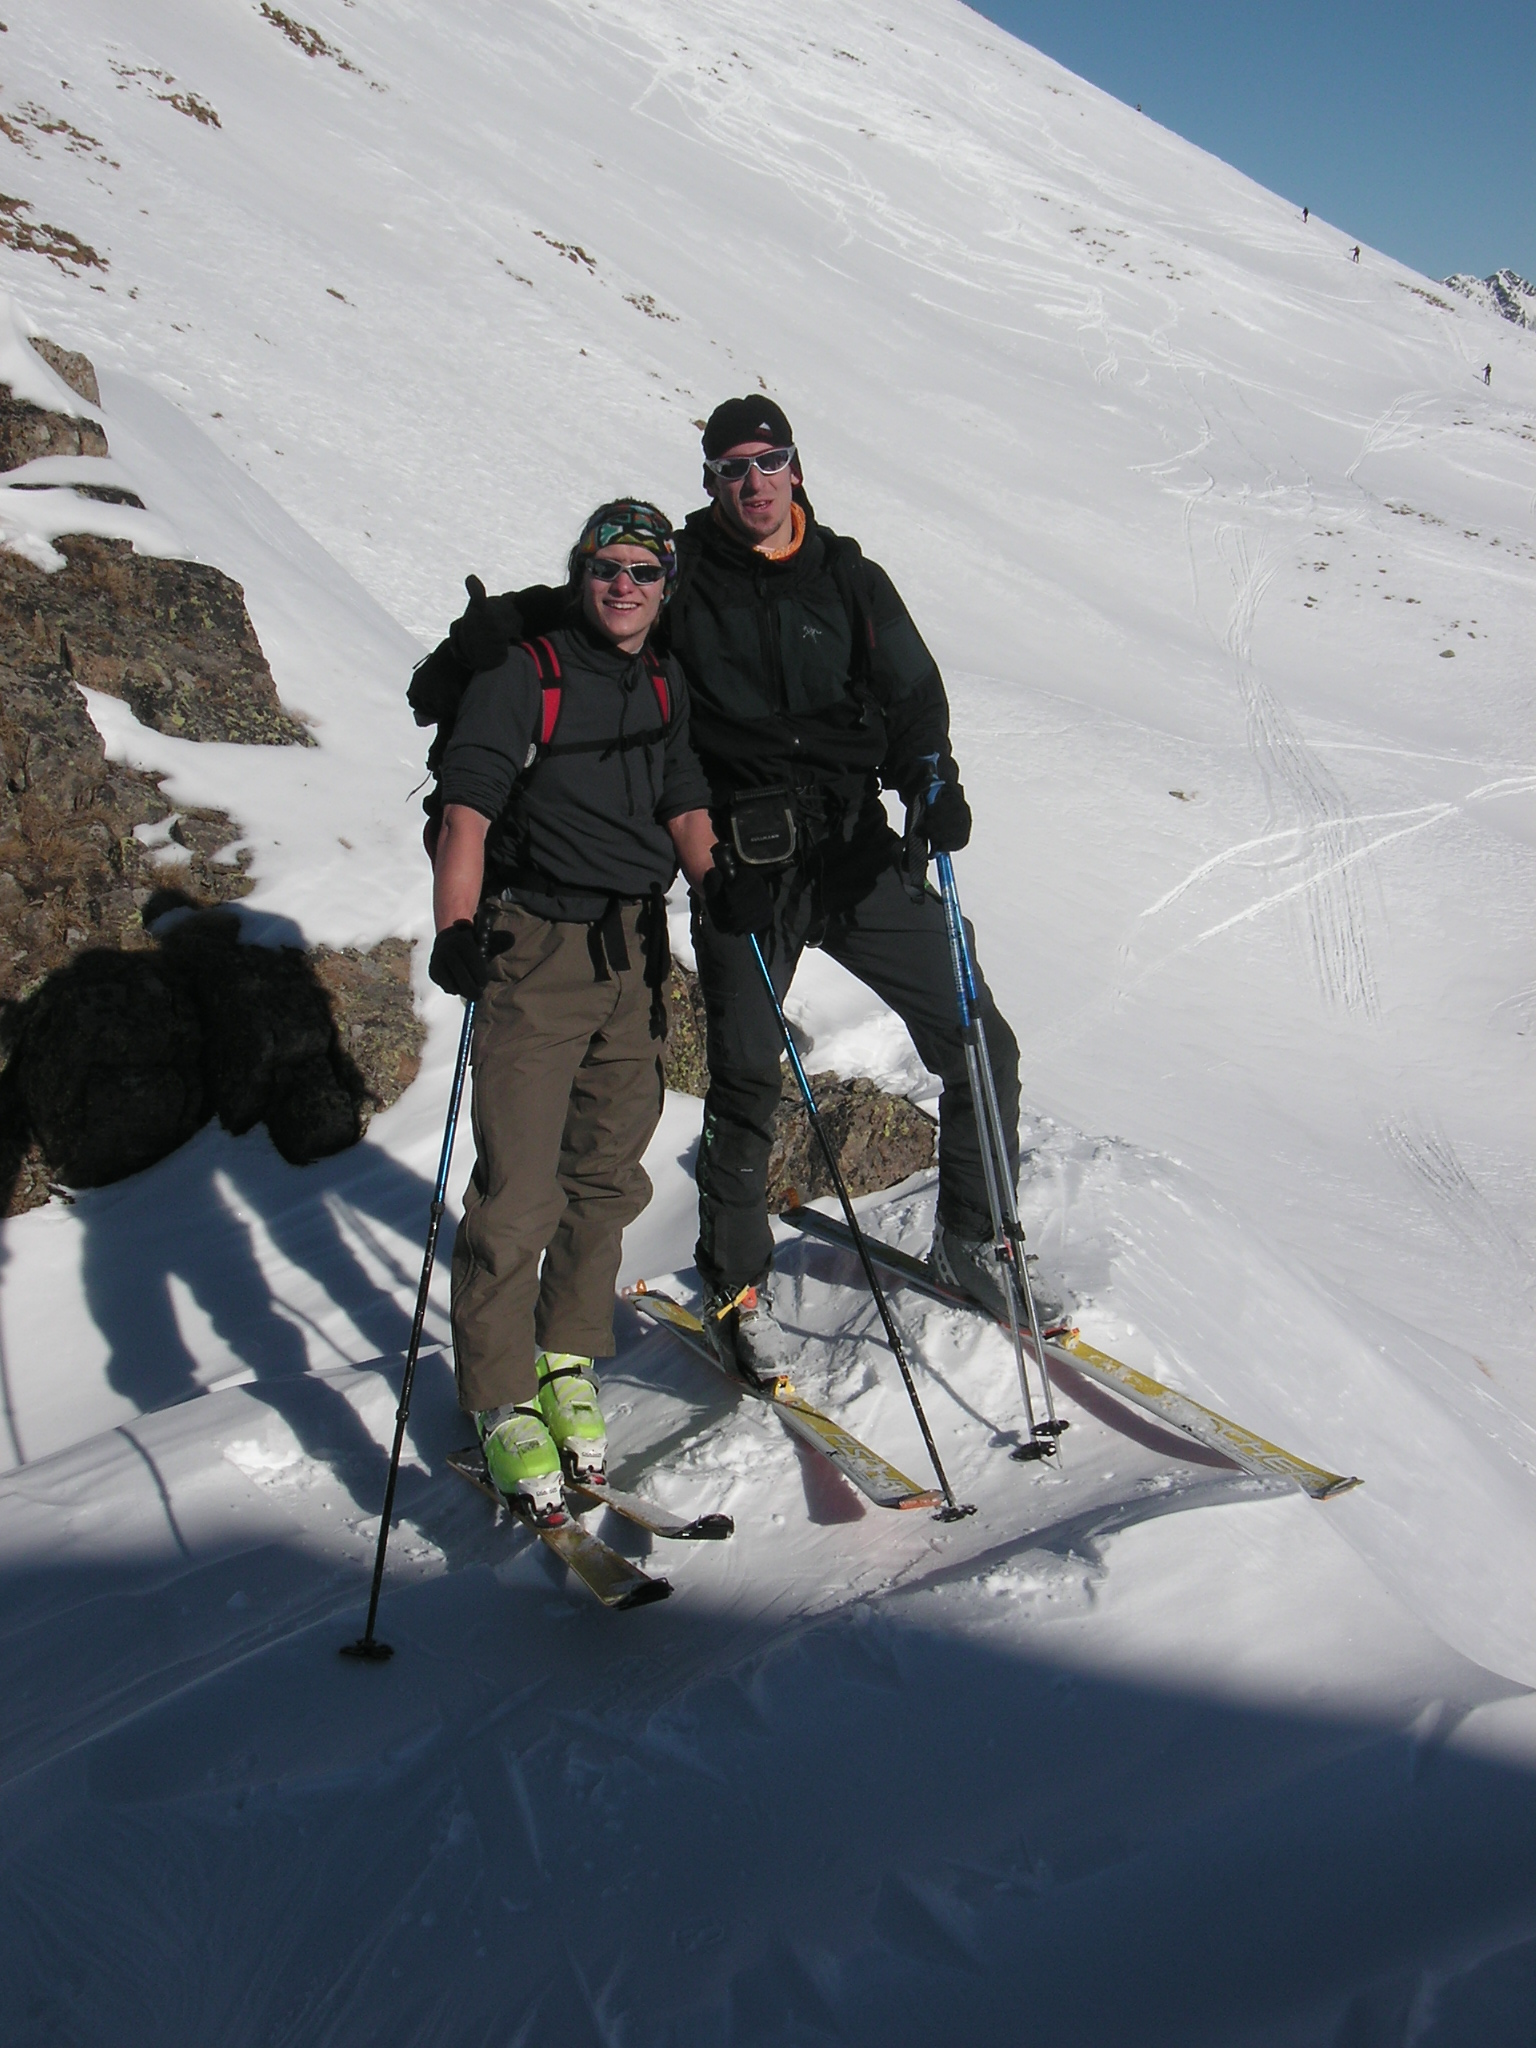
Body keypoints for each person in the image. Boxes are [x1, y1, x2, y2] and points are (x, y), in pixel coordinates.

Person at [664, 398, 1023, 1384]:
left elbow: (913, 699)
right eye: (732, 466)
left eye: (768, 460)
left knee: (979, 1039)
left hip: (856, 851)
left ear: (795, 466)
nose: (752, 481)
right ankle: (737, 1293)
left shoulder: (849, 578)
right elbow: (620, 667)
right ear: (711, 479)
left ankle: (975, 1237)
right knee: (746, 1074)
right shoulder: (679, 580)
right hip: (744, 869)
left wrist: (932, 783)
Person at [426, 500, 715, 1519]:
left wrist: (719, 883)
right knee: (517, 1188)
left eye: (643, 570)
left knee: (605, 1174)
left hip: (635, 949)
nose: (624, 586)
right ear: (580, 573)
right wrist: (456, 927)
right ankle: (498, 1393)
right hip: (536, 946)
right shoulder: (527, 673)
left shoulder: (665, 676)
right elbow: (468, 809)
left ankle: (565, 1356)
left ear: (666, 583)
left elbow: (683, 795)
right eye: (607, 568)